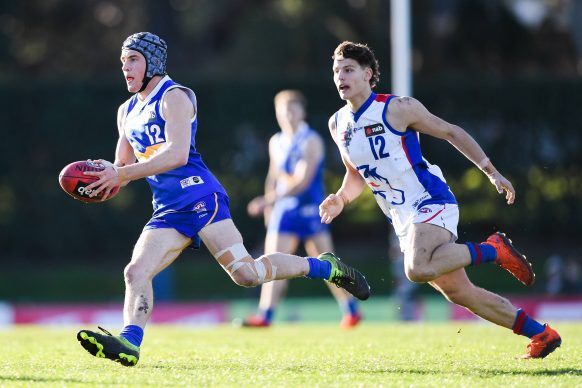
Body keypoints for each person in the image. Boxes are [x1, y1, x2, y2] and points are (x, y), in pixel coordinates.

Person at [75, 32, 370, 367]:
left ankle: (324, 266)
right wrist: (102, 178)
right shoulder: (125, 111)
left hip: (200, 195)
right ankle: (130, 343)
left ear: (152, 62)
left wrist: (123, 174)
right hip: (168, 208)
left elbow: (176, 153)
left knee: (245, 274)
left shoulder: (175, 96)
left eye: (133, 59)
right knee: (135, 271)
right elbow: (123, 165)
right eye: (123, 61)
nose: (125, 67)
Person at [319, 41, 561, 359]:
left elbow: (451, 132)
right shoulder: (338, 124)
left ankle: (493, 250)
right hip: (402, 218)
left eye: (348, 69)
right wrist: (340, 198)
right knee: (460, 292)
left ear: (368, 74)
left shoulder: (398, 108)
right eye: (336, 71)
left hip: (430, 199)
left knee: (416, 269)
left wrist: (490, 171)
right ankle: (541, 334)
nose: (340, 76)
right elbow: (355, 174)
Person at [241, 90, 361, 329]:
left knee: (328, 264)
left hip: (312, 210)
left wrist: (268, 201)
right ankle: (265, 316)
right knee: (273, 262)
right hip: (284, 210)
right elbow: (273, 176)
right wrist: (270, 207)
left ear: (302, 111)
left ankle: (351, 310)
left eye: (292, 109)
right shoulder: (276, 141)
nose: (287, 115)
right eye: (282, 110)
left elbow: (302, 180)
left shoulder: (311, 140)